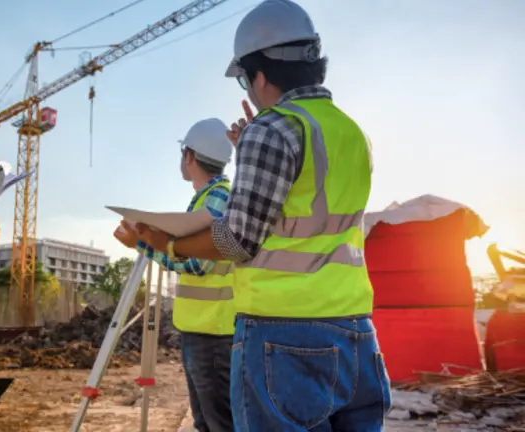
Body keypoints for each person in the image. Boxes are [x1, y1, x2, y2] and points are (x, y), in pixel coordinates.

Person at [120, 0, 392, 430]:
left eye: (245, 79)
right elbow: (311, 215)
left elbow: (236, 241)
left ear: (260, 75)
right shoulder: (351, 131)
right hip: (356, 329)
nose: (248, 90)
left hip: (284, 333)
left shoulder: (272, 128)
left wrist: (164, 242)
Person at [115, 118, 236, 432]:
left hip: (216, 332)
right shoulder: (206, 198)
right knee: (206, 423)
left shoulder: (218, 198)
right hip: (202, 330)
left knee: (219, 424)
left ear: (190, 157)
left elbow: (199, 263)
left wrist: (145, 243)